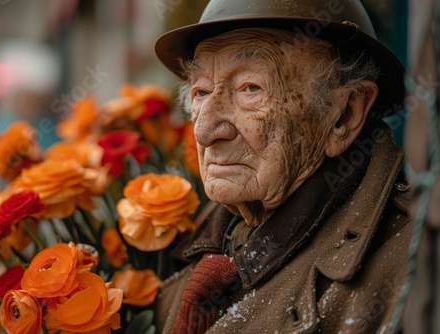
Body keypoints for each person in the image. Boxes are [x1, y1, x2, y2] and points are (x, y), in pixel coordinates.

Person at [153, 0, 414, 333]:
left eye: (250, 88)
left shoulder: (414, 264)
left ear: (344, 115)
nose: (204, 131)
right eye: (201, 91)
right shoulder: (173, 248)